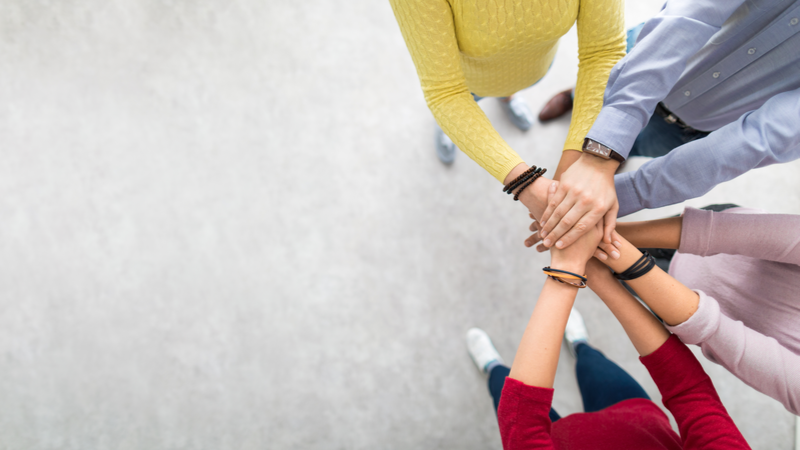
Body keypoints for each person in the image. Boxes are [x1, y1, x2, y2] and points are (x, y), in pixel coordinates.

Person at [535, 0, 800, 251]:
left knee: (639, 146)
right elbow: (689, 16)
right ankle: (574, 97)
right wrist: (603, 152)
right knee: (596, 90)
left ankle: (619, 155)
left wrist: (622, 192)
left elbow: (762, 138)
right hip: (645, 58)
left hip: (694, 127)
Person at [467, 222, 750, 448]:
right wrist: (601, 279)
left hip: (558, 438)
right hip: (633, 415)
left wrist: (568, 268)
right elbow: (690, 393)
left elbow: (520, 425)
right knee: (591, 361)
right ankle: (579, 345)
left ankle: (492, 365)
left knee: (502, 388)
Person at [387, 0, 626, 187]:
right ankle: (447, 126)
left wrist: (570, 166)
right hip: (469, 83)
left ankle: (507, 97)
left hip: (534, 68)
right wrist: (523, 181)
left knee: (509, 88)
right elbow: (446, 91)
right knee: (463, 104)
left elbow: (603, 53)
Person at [594, 206, 800, 414]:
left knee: (605, 263)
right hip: (718, 237)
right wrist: (605, 235)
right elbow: (762, 235)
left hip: (679, 302)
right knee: (607, 246)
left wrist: (601, 243)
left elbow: (717, 332)